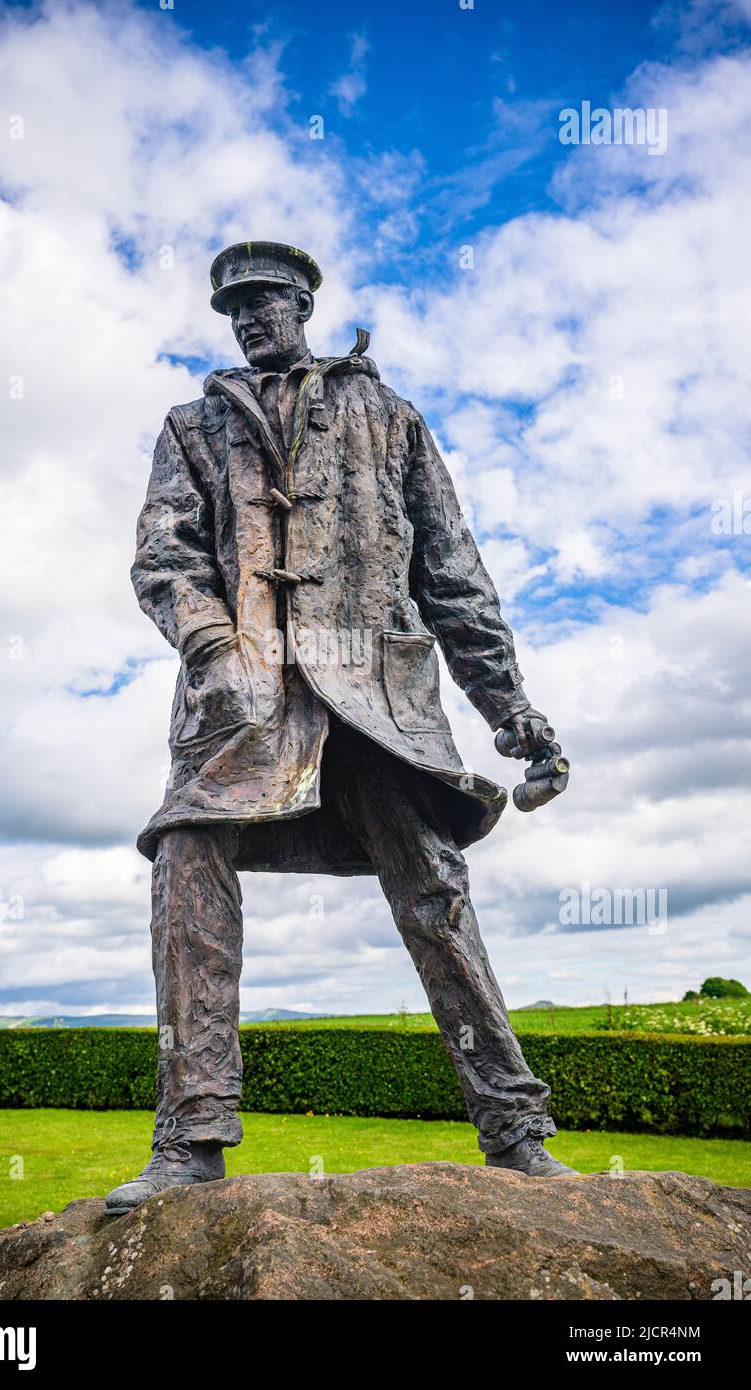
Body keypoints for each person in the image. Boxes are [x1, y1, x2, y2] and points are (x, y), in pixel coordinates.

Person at [106, 242, 575, 1216]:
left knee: (435, 893)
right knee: (184, 857)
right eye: (233, 305)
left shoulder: (389, 416)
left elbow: (451, 578)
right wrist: (211, 645)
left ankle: (515, 1128)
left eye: (266, 299)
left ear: (303, 303)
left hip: (377, 695)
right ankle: (188, 1137)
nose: (249, 317)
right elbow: (165, 561)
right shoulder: (194, 426)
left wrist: (508, 707)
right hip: (242, 700)